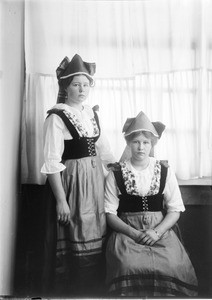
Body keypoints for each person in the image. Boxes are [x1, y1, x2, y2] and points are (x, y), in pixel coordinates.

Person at [40, 54, 115, 297]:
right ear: (65, 86)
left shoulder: (92, 115)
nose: (81, 89)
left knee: (97, 228)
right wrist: (61, 200)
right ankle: (74, 291)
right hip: (73, 182)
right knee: (76, 229)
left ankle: (93, 290)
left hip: (96, 182)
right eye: (75, 84)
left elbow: (105, 153)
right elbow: (51, 161)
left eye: (85, 84)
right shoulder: (56, 117)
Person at [104, 111, 198, 297]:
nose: (140, 147)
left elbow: (175, 209)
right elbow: (109, 214)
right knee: (128, 265)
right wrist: (133, 233)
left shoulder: (163, 170)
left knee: (173, 265)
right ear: (128, 143)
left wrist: (157, 232)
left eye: (146, 142)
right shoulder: (115, 173)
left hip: (160, 230)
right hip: (127, 231)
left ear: (152, 144)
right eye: (136, 142)